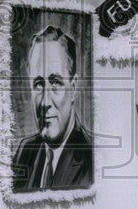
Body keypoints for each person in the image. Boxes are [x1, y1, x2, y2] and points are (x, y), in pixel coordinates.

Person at [12, 25, 94, 192]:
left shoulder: (92, 157)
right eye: (39, 84)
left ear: (73, 87)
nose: (45, 102)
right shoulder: (25, 152)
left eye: (55, 82)